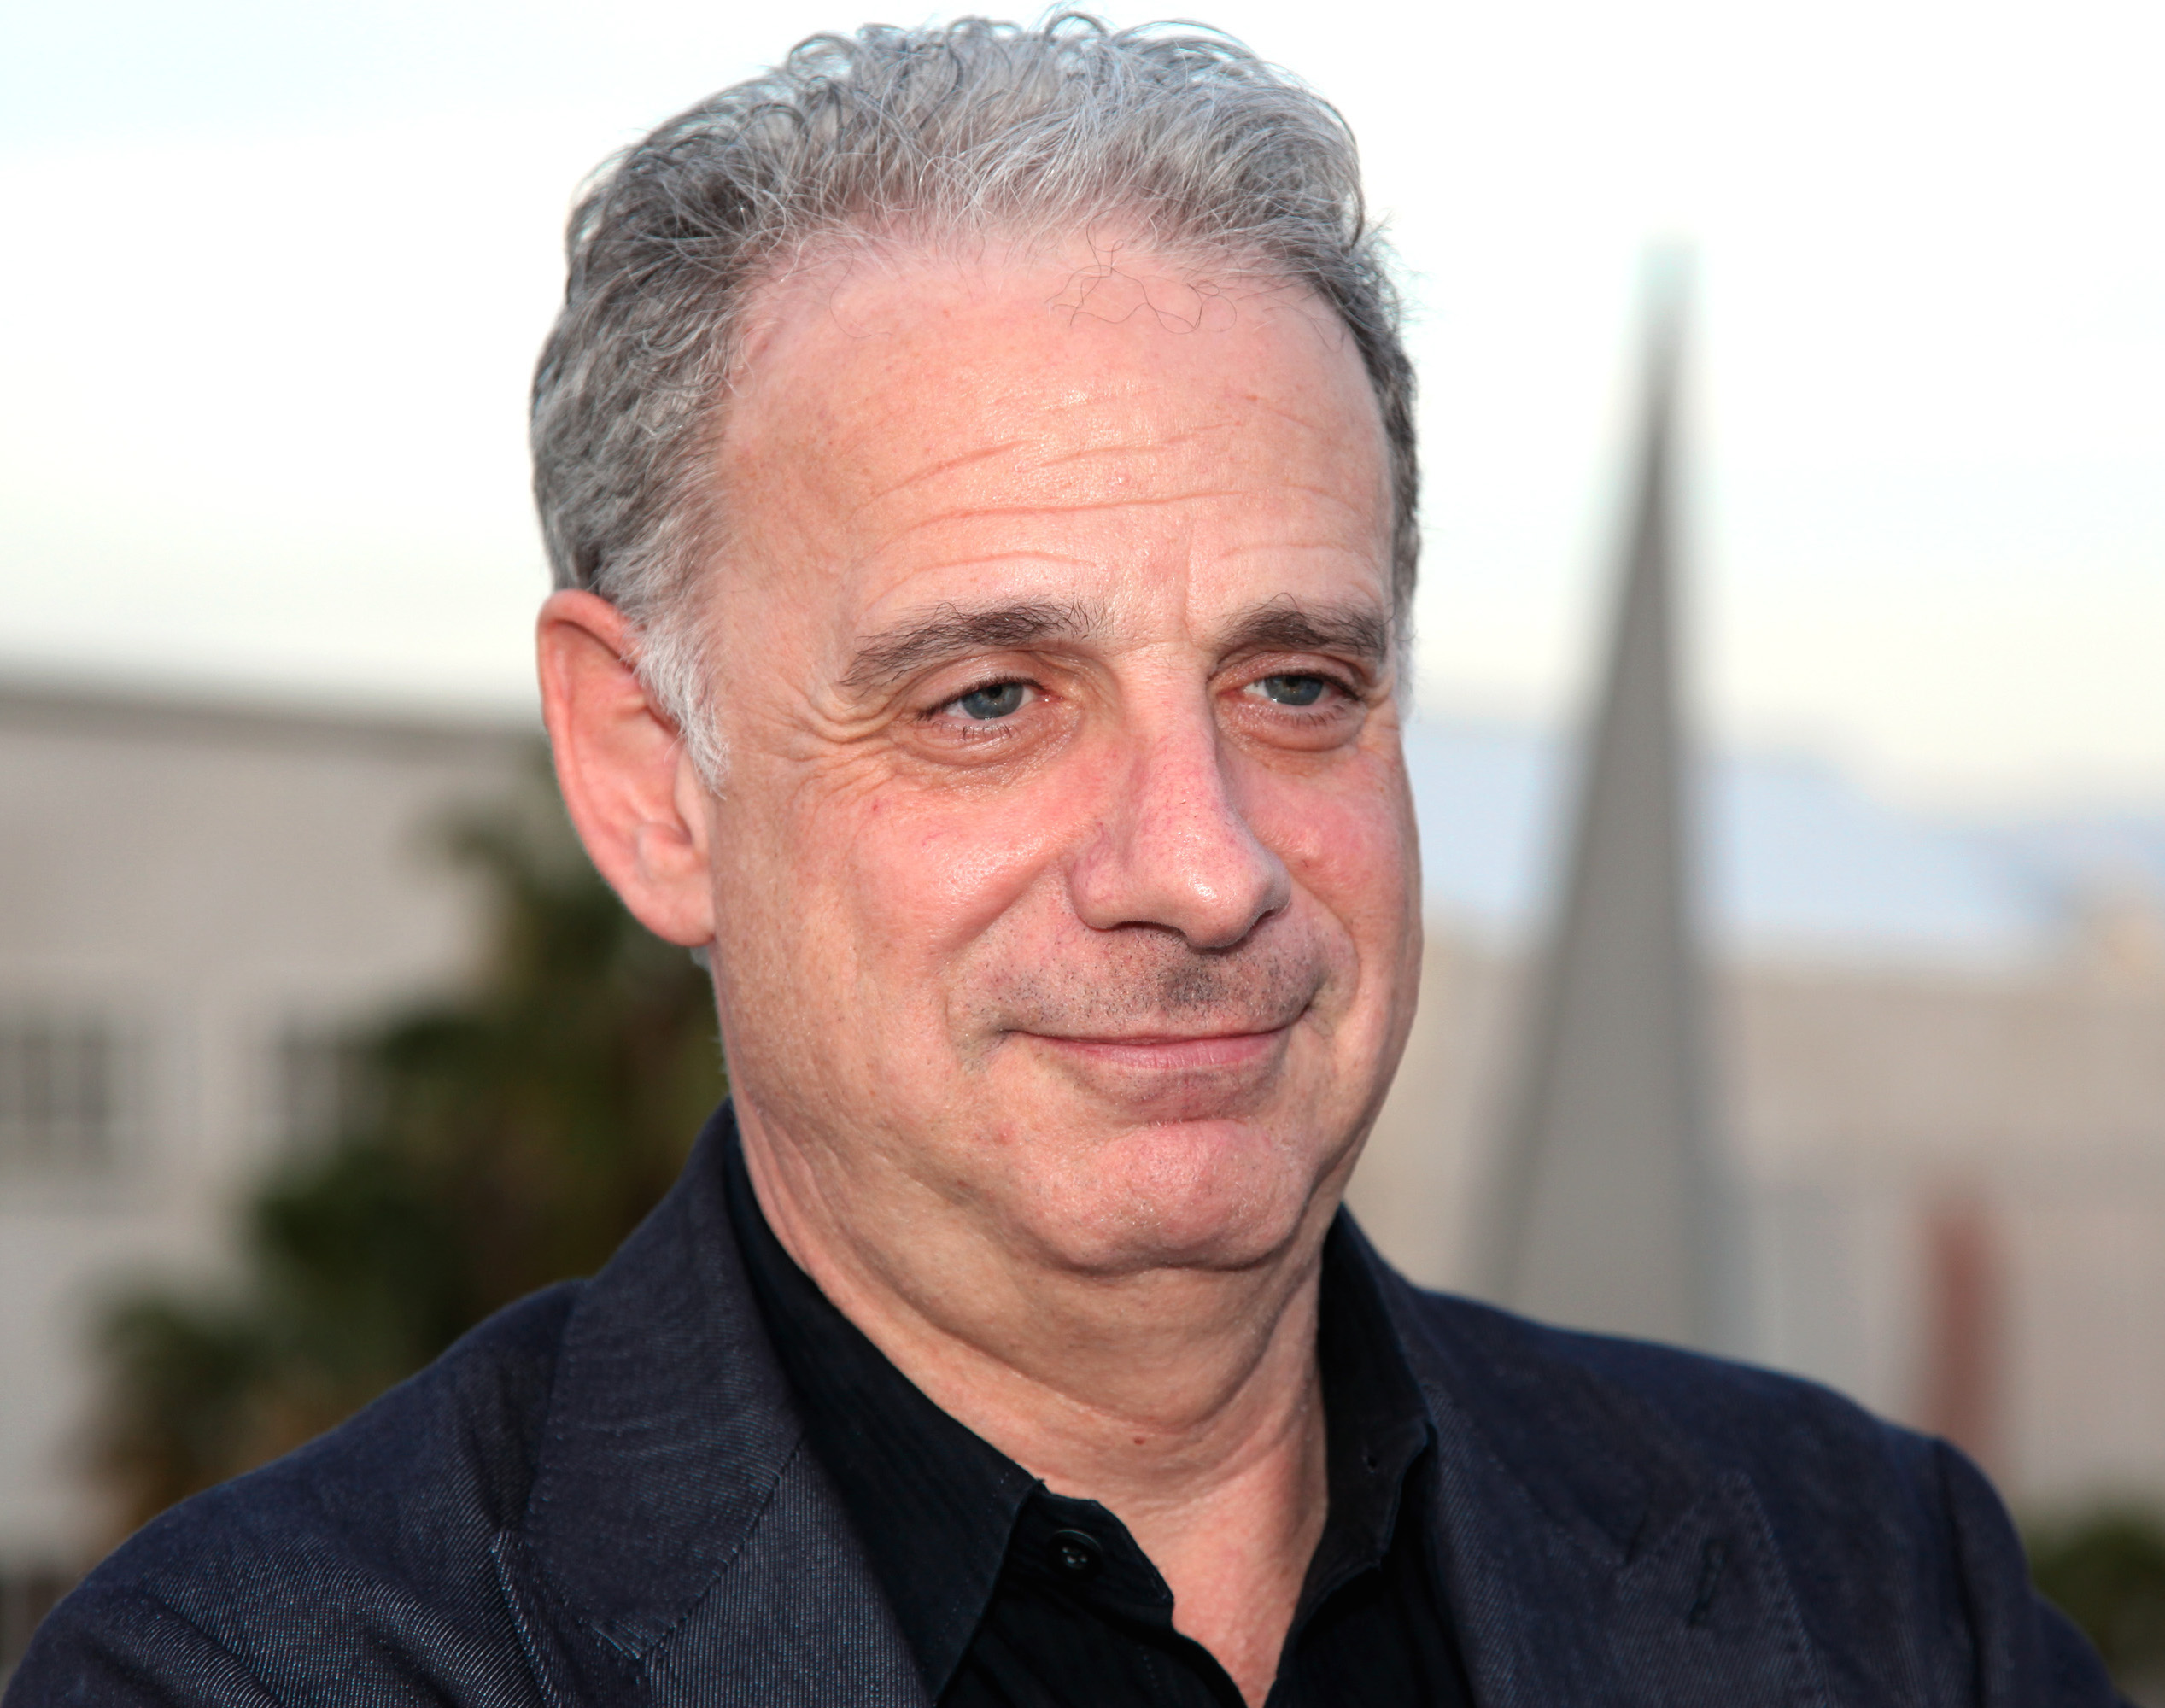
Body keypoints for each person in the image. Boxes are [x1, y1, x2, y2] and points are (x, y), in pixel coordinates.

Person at [9, 18, 2119, 1707]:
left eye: (1292, 683)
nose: (1202, 867)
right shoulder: (272, 1671)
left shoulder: (1865, 1587)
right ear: (652, 779)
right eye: (991, 699)